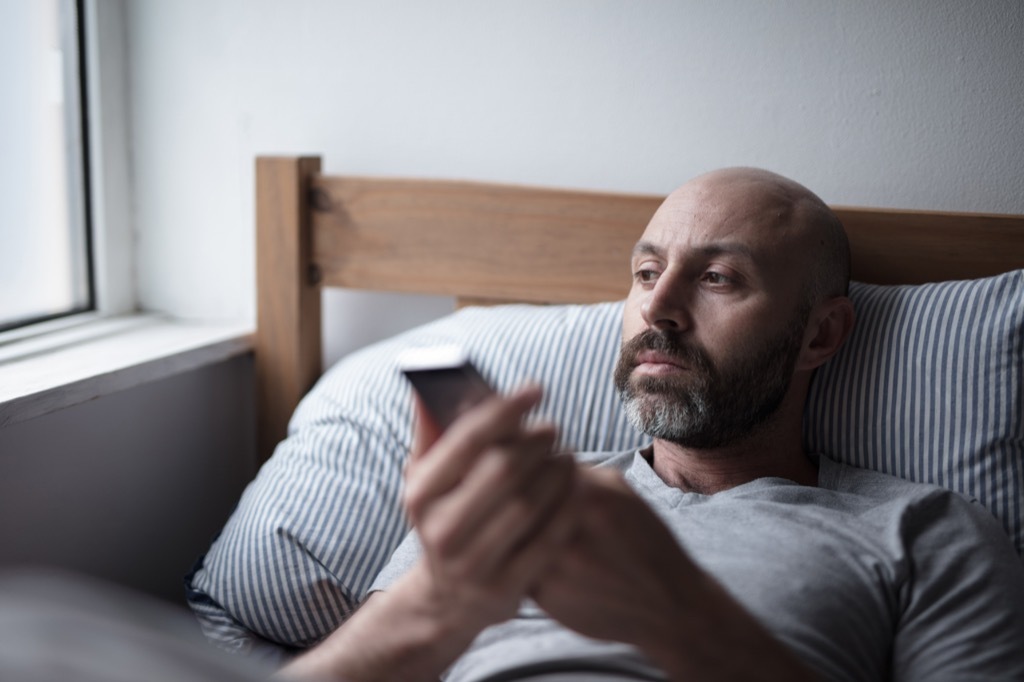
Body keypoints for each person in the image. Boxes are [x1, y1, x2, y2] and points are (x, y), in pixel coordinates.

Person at [276, 168, 1024, 681]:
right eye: (644, 273)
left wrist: (682, 619)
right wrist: (435, 600)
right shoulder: (515, 496)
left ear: (821, 336)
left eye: (718, 278)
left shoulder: (925, 534)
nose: (659, 308)